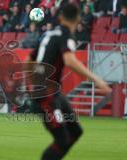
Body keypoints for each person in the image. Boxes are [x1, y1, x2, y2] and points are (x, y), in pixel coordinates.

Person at [32, 4, 112, 160]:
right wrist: (97, 80)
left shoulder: (48, 34)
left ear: (60, 17)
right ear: (78, 19)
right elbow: (70, 61)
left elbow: (30, 58)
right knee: (62, 140)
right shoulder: (66, 35)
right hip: (46, 95)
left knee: (76, 132)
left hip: (53, 93)